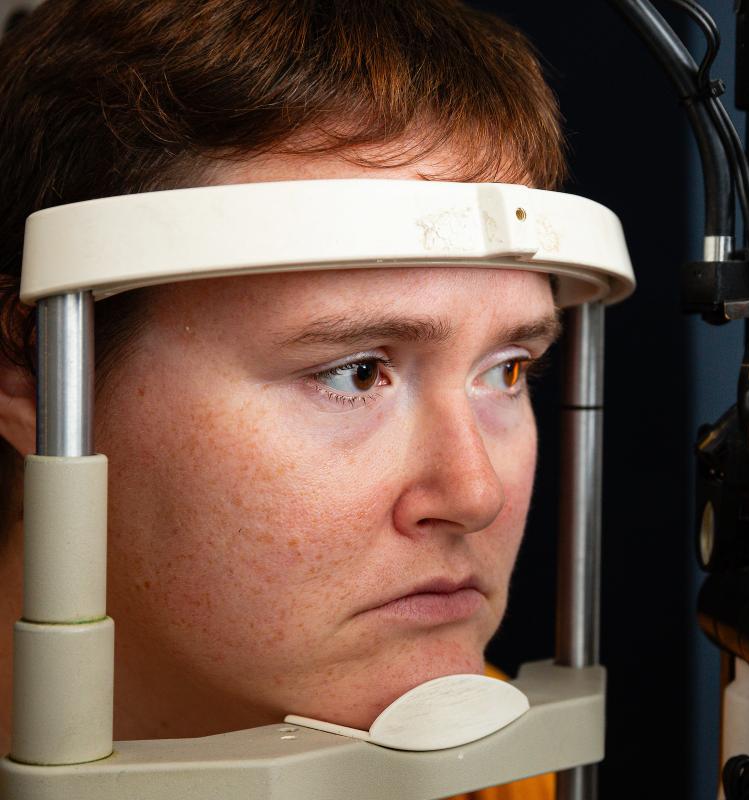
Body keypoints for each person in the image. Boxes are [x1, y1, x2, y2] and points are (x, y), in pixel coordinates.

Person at [0, 2, 568, 797]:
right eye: (356, 372)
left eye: (507, 369)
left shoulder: (502, 773)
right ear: (30, 372)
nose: (476, 494)